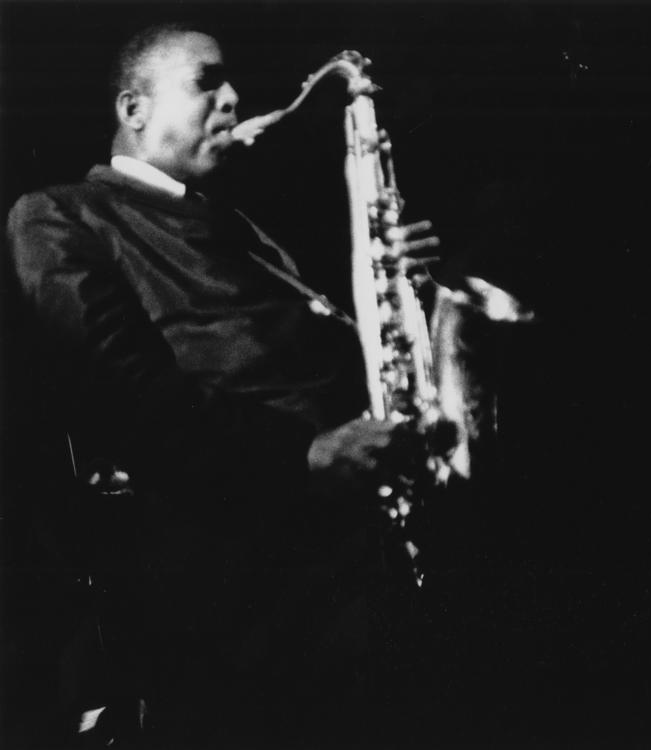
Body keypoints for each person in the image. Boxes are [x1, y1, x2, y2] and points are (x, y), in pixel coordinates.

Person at [5, 22, 442, 747]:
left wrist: (400, 293)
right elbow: (126, 400)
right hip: (244, 591)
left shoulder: (238, 225)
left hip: (355, 560)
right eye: (207, 81)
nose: (234, 98)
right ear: (133, 108)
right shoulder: (59, 214)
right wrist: (301, 459)